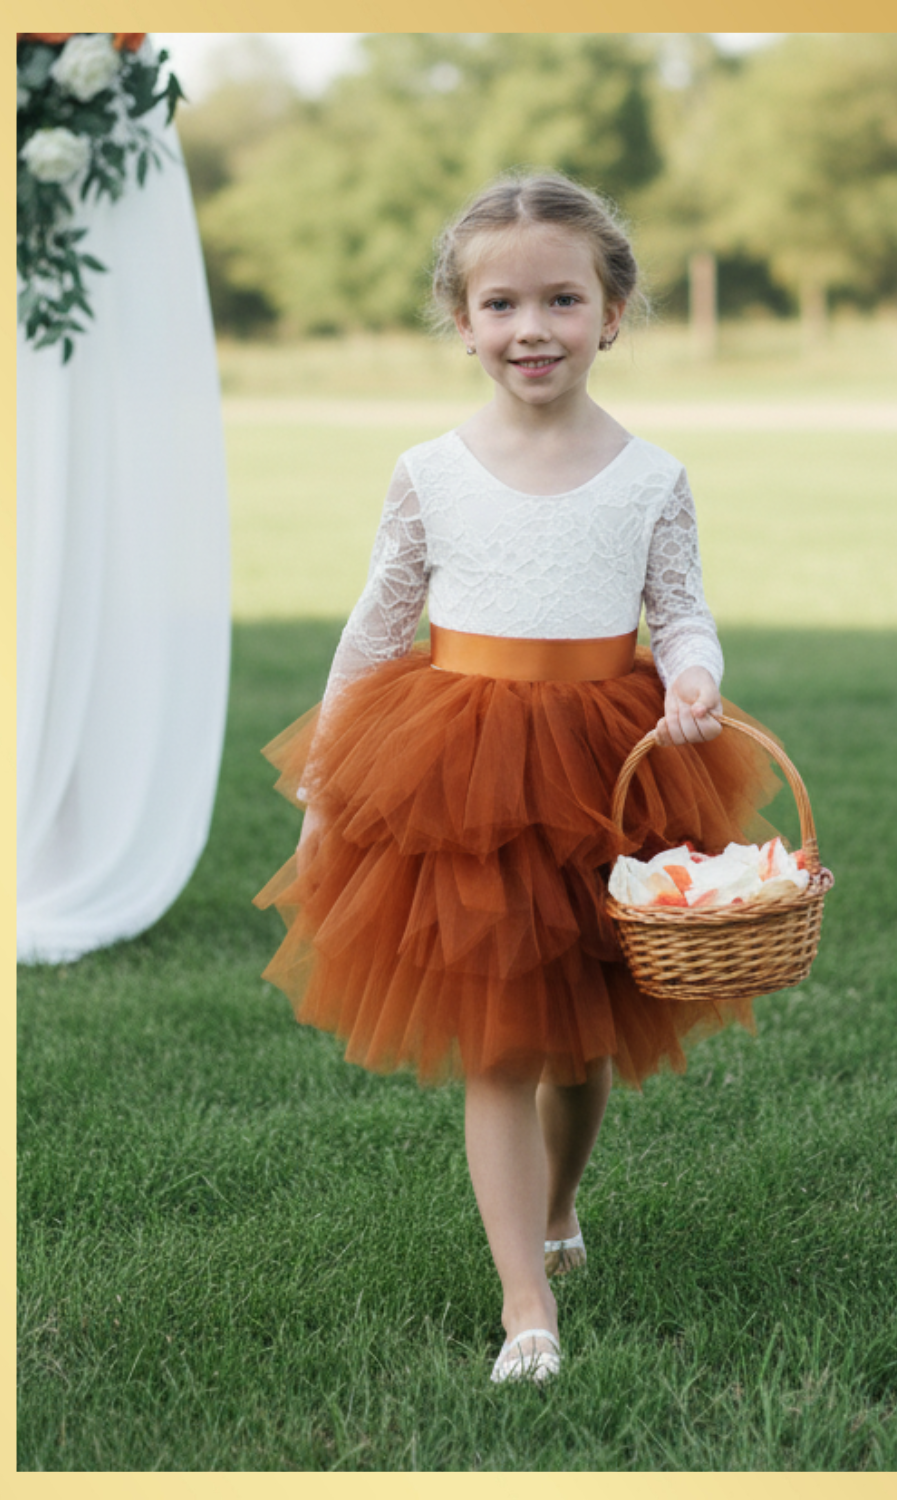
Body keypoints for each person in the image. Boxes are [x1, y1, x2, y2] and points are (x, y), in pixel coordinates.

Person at [254, 173, 780, 1385]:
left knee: (583, 1043)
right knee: (499, 1040)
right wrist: (329, 781)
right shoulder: (430, 470)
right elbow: (376, 625)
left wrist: (693, 676)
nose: (530, 328)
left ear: (612, 314)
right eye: (500, 304)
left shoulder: (649, 475)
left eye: (560, 300)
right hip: (460, 771)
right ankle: (524, 1306)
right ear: (462, 320)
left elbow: (681, 611)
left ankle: (558, 1204)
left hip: (606, 770)